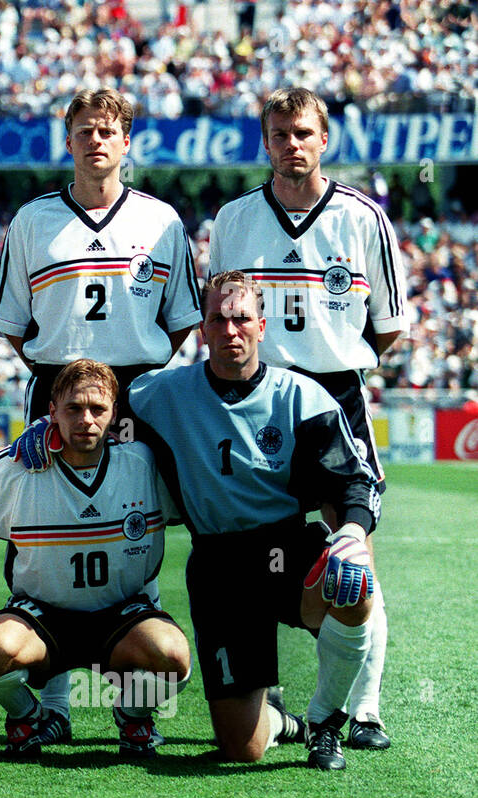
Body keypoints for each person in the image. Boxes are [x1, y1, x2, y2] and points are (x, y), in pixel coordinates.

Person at [0, 88, 201, 744]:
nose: (96, 141)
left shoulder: (162, 222)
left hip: (135, 393)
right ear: (68, 137)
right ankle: (53, 705)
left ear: (127, 140)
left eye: (108, 130)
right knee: (43, 531)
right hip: (56, 385)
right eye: (84, 130)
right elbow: (13, 324)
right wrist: (62, 376)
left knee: (134, 524)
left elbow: (183, 322)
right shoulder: (32, 221)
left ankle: (135, 699)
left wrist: (121, 375)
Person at [208, 88, 407, 750]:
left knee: (353, 546)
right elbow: (225, 315)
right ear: (264, 143)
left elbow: (390, 330)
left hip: (334, 396)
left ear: (325, 140)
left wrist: (334, 364)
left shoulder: (363, 218)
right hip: (260, 398)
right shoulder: (235, 220)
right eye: (279, 134)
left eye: (303, 132)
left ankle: (365, 708)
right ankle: (275, 688)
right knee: (264, 538)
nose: (292, 144)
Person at [126, 272, 379, 771]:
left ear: (262, 326)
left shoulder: (302, 396)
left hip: (286, 549)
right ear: (202, 329)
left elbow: (352, 483)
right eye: (218, 319)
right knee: (240, 750)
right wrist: (49, 426)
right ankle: (283, 722)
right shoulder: (160, 393)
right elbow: (101, 408)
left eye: (241, 318)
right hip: (218, 564)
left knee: (355, 587)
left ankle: (326, 723)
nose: (230, 329)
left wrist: (351, 534)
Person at [0, 360, 192, 759]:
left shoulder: (144, 464)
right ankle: (31, 716)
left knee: (173, 659)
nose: (86, 420)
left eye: (98, 409)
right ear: (52, 411)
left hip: (121, 616)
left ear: (115, 414)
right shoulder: (23, 467)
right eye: (74, 408)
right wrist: (8, 449)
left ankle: (132, 715)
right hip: (43, 618)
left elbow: (205, 475)